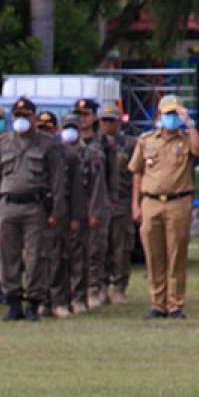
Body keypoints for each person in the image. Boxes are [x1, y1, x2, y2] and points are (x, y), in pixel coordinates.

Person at [0, 97, 65, 322]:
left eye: (26, 116)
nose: (22, 121)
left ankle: (33, 302)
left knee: (35, 257)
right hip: (8, 206)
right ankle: (12, 302)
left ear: (34, 117)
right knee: (7, 256)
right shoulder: (2, 143)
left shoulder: (47, 144)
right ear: (12, 119)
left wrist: (55, 212)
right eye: (18, 117)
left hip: (35, 207)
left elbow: (57, 181)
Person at [128, 95, 199, 319]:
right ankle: (157, 304)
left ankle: (175, 305)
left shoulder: (186, 138)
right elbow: (137, 172)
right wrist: (136, 204)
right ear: (159, 115)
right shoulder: (146, 140)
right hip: (151, 201)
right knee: (153, 255)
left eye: (175, 114)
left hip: (178, 202)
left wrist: (189, 123)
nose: (171, 118)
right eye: (167, 114)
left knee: (176, 255)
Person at [74, 98, 114, 310]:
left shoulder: (104, 143)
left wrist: (107, 205)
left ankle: (95, 288)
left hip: (98, 202)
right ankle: (78, 291)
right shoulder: (70, 141)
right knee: (76, 250)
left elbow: (111, 178)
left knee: (96, 249)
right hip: (76, 204)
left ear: (95, 117)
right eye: (78, 115)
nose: (82, 119)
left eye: (86, 114)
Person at [49, 113, 88, 318]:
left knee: (67, 257)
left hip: (66, 212)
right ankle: (43, 300)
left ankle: (67, 299)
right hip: (42, 214)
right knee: (44, 259)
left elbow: (76, 190)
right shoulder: (39, 152)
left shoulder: (70, 155)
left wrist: (75, 216)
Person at [100, 103, 137, 305]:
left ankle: (120, 287)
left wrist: (135, 204)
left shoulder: (130, 144)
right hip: (100, 202)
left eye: (111, 121)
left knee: (121, 247)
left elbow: (136, 175)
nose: (107, 125)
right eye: (104, 121)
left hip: (121, 201)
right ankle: (101, 286)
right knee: (100, 247)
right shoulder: (95, 144)